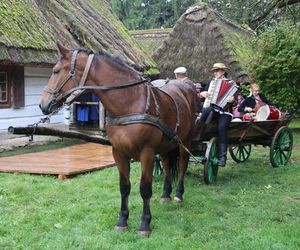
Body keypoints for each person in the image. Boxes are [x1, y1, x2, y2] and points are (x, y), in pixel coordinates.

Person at [197, 63, 238, 167]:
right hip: (213, 109)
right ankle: (197, 139)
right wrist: (202, 94)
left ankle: (222, 157)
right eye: (214, 71)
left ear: (223, 72)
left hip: (225, 112)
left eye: (217, 70)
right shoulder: (211, 82)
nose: (215, 73)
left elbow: (235, 102)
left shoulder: (231, 83)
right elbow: (202, 94)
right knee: (206, 111)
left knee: (222, 127)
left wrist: (232, 100)